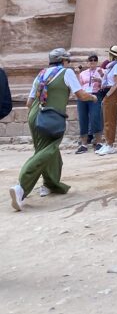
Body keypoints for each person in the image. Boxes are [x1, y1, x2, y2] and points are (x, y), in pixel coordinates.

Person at [9, 48, 97, 210]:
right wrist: (93, 97)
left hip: (35, 115)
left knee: (49, 152)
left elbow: (29, 102)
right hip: (52, 117)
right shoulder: (66, 72)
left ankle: (50, 184)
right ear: (63, 60)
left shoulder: (41, 74)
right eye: (67, 61)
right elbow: (81, 95)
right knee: (47, 151)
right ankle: (21, 187)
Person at [95, 45, 117, 156]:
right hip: (109, 91)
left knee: (110, 119)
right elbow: (109, 79)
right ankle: (108, 142)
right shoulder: (112, 66)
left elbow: (116, 83)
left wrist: (107, 95)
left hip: (112, 92)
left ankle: (110, 144)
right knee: (106, 118)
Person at [75, 54, 104, 153]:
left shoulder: (100, 71)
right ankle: (84, 144)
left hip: (95, 94)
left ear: (97, 62)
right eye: (90, 60)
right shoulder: (83, 73)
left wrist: (99, 79)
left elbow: (106, 82)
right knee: (83, 118)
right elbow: (79, 85)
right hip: (84, 95)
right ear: (87, 62)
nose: (92, 62)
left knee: (95, 117)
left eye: (94, 60)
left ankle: (98, 142)